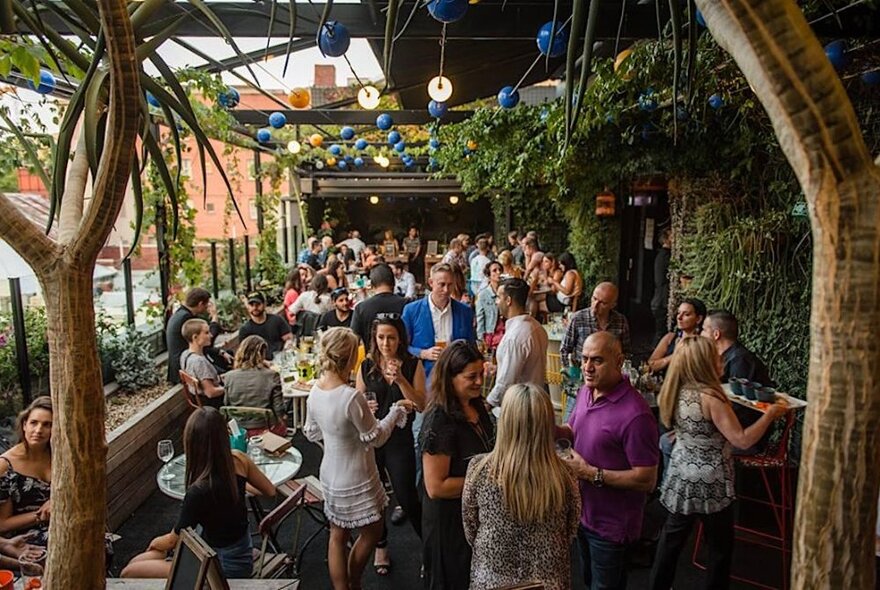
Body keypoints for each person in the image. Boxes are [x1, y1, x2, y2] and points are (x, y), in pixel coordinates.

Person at [648, 337, 787, 590]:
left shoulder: (676, 389)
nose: (722, 358)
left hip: (681, 476)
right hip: (711, 482)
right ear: (705, 361)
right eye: (717, 355)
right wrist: (769, 415)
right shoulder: (712, 397)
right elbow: (742, 440)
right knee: (719, 549)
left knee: (671, 542)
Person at [304, 327, 414, 590]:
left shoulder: (315, 391)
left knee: (337, 534)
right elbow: (375, 437)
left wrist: (339, 432)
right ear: (350, 357)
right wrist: (396, 410)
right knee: (373, 530)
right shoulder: (350, 396)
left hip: (330, 472)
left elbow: (311, 432)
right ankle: (354, 581)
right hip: (356, 474)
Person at [122, 407, 276, 579]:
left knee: (129, 571)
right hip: (236, 554)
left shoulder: (198, 491)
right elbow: (269, 490)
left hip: (220, 569)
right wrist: (236, 482)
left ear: (191, 442)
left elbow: (173, 540)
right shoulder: (239, 460)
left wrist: (154, 542)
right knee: (141, 561)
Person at [558, 332, 659, 589]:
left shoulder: (636, 415)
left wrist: (592, 473)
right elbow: (573, 428)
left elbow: (647, 479)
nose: (587, 367)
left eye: (597, 360)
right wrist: (550, 428)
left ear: (619, 361)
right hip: (583, 514)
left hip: (611, 526)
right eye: (584, 359)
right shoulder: (586, 391)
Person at [463, 384, 580, 590]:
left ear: (505, 422)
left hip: (492, 580)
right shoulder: (565, 474)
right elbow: (570, 530)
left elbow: (471, 529)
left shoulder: (479, 470)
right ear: (547, 423)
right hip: (549, 580)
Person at [355, 316, 426, 575]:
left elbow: (421, 404)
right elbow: (357, 401)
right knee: (375, 498)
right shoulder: (366, 365)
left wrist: (400, 381)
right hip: (372, 439)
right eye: (381, 337)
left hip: (399, 439)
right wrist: (365, 405)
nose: (386, 343)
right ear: (374, 338)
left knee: (406, 495)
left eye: (391, 337)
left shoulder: (411, 364)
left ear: (400, 339)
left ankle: (428, 547)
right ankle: (381, 545)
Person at [420, 341, 494, 590]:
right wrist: (490, 481)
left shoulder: (477, 406)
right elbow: (436, 487)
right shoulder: (439, 421)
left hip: (475, 516)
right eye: (471, 376)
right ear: (450, 378)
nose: (478, 381)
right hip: (449, 524)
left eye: (481, 374)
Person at [401, 262, 476, 381]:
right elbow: (402, 345)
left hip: (456, 376)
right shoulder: (412, 310)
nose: (446, 290)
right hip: (424, 376)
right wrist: (422, 353)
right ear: (431, 283)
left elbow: (471, 345)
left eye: (450, 285)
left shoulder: (465, 312)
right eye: (442, 284)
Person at [486, 278, 548, 408]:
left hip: (517, 409)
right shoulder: (536, 327)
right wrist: (499, 368)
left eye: (498, 297)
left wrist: (486, 405)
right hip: (533, 403)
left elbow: (505, 383)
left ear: (508, 300)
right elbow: (525, 366)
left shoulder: (514, 337)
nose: (497, 302)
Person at [0, 397, 53, 545]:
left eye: (47, 424)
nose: (38, 430)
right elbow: (2, 524)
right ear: (24, 425)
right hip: (24, 537)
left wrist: (56, 501)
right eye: (33, 423)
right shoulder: (5, 466)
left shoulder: (59, 456)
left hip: (63, 522)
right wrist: (42, 515)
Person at [222, 335, 286, 437]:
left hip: (238, 430)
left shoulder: (229, 377)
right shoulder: (271, 375)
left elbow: (227, 404)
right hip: (267, 429)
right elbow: (279, 409)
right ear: (262, 354)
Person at [559, 282, 632, 369]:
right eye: (594, 299)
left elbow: (626, 352)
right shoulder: (578, 318)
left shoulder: (620, 321)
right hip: (583, 373)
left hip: (610, 373)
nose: (595, 305)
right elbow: (564, 350)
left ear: (613, 305)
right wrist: (571, 373)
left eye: (602, 303)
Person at [165, 288, 227, 384]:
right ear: (200, 304)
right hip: (186, 364)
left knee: (225, 357)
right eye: (206, 306)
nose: (207, 309)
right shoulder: (187, 318)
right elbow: (207, 341)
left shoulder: (180, 313)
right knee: (227, 374)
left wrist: (220, 352)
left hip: (182, 361)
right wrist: (214, 318)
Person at [701, 310, 773, 386]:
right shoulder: (722, 355)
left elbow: (738, 395)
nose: (701, 334)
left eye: (704, 330)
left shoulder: (740, 360)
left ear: (716, 334)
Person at [350, 264, 407, 344]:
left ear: (372, 286)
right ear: (394, 283)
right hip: (402, 355)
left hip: (371, 355)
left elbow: (353, 340)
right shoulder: (407, 305)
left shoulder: (361, 308)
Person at [648, 298, 707, 374]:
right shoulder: (670, 337)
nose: (679, 317)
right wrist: (673, 357)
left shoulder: (703, 342)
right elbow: (650, 365)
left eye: (686, 314)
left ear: (698, 319)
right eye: (679, 313)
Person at [180, 318, 225, 408]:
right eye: (207, 333)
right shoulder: (199, 362)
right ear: (195, 337)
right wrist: (230, 388)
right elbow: (210, 392)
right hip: (212, 404)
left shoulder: (185, 355)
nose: (211, 335)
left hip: (197, 400)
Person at [238, 291, 292, 360]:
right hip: (258, 364)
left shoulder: (277, 320)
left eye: (258, 304)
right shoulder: (245, 329)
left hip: (280, 358)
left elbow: (289, 339)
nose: (255, 307)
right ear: (248, 307)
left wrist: (287, 348)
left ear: (264, 304)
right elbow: (244, 353)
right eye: (251, 305)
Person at [475, 260, 504, 347]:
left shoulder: (506, 292)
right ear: (489, 275)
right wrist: (481, 339)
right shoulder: (483, 294)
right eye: (494, 270)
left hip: (505, 331)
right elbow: (480, 317)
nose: (498, 272)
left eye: (499, 270)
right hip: (492, 333)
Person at [651, 227, 673, 340]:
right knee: (661, 336)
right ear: (666, 239)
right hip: (661, 301)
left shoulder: (662, 255)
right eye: (672, 236)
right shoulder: (665, 256)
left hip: (659, 300)